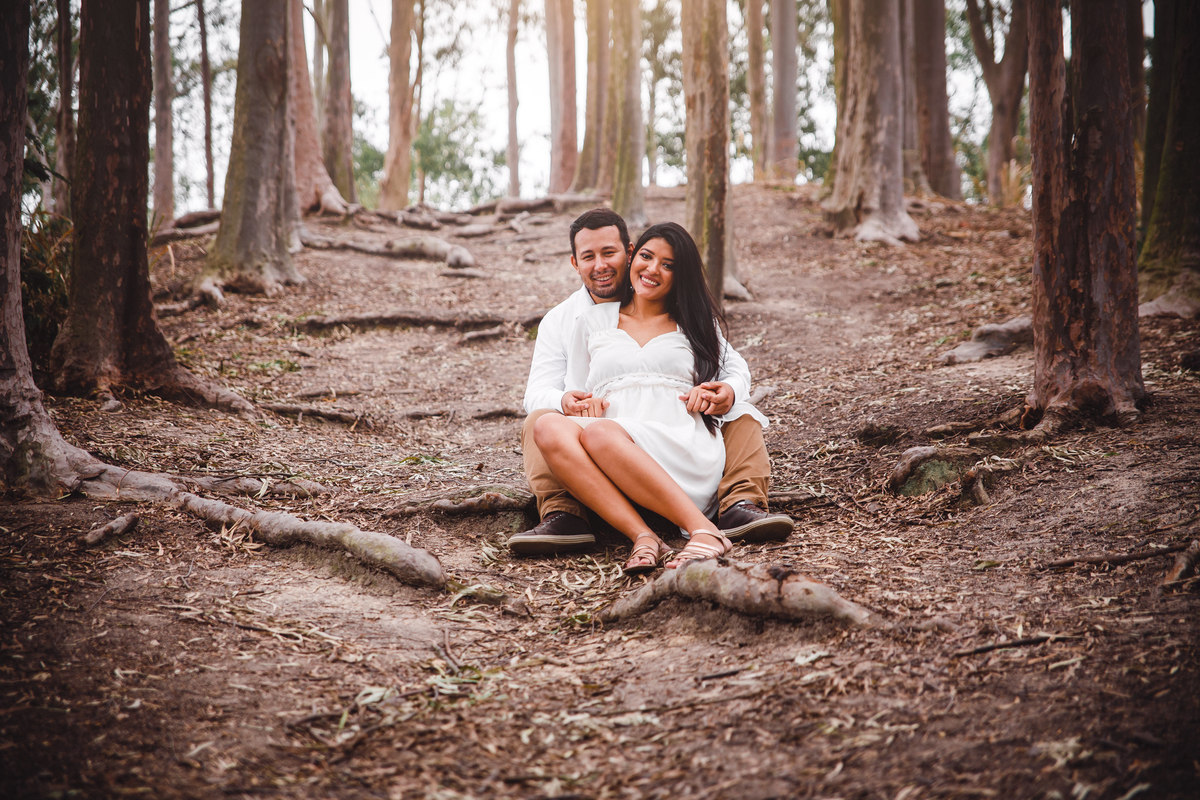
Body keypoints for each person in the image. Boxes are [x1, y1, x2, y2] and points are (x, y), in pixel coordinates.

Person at [509, 209, 792, 557]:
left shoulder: (689, 318)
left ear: (627, 252)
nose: (600, 264)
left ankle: (739, 503)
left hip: (671, 431)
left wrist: (726, 391)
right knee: (543, 420)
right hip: (610, 434)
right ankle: (566, 514)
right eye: (588, 256)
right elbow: (556, 389)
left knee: (741, 409)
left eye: (609, 253)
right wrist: (571, 400)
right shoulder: (570, 320)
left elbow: (732, 366)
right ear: (575, 262)